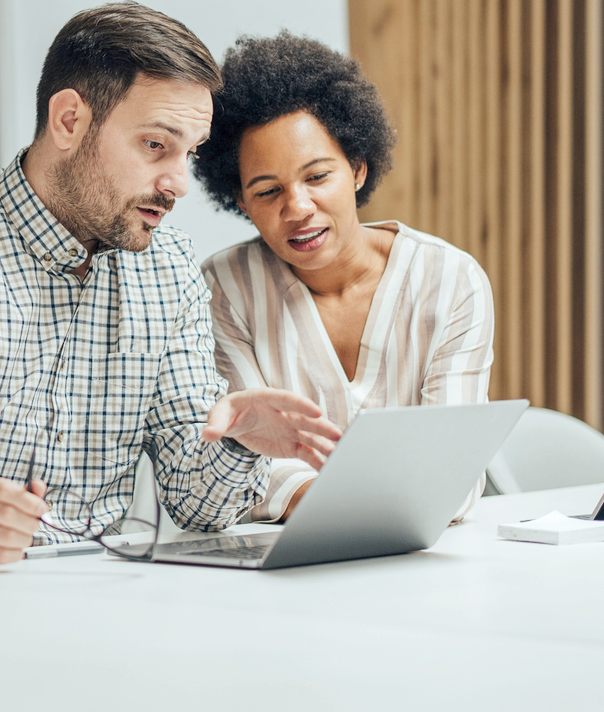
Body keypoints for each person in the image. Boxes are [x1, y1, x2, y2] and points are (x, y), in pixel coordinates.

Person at [0, 3, 341, 570]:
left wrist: (237, 439)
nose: (179, 183)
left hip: (82, 609)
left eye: (192, 153)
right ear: (68, 121)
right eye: (156, 145)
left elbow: (195, 501)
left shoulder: (167, 267)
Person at [194, 32, 494, 523]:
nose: (298, 208)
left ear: (357, 168)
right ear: (242, 203)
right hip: (287, 566)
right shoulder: (223, 289)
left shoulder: (450, 281)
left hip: (419, 561)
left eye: (317, 177)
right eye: (268, 191)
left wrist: (357, 507)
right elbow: (247, 461)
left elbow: (455, 468)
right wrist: (349, 507)